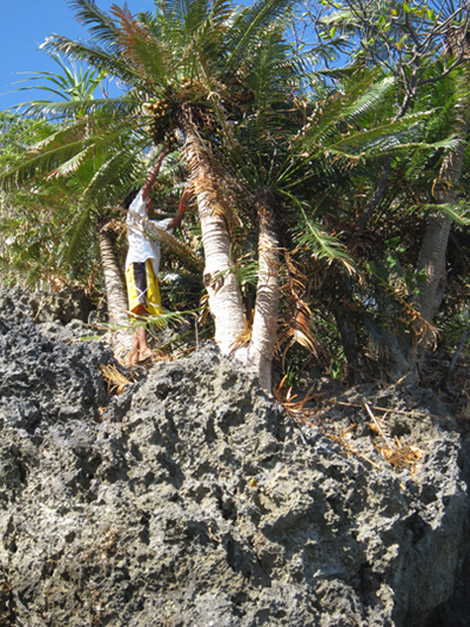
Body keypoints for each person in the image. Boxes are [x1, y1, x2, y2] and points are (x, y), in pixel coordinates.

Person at [124, 146, 193, 365]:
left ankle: (133, 354)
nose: (150, 201)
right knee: (140, 306)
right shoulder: (134, 213)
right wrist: (161, 157)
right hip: (138, 262)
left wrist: (183, 202)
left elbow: (174, 222)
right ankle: (144, 349)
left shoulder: (151, 226)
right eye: (148, 199)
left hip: (147, 267)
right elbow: (148, 184)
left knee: (141, 307)